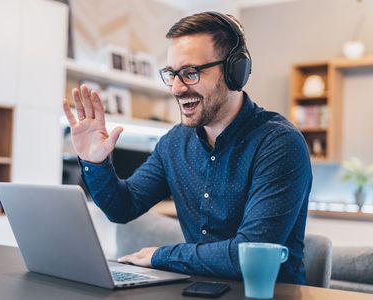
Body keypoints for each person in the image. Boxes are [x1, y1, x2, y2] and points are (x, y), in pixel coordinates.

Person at [62, 11, 312, 284]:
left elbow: (249, 253)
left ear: (234, 71)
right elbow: (123, 207)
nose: (177, 89)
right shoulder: (174, 143)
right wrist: (95, 162)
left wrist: (161, 256)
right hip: (197, 290)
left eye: (191, 73)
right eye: (172, 74)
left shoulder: (279, 144)